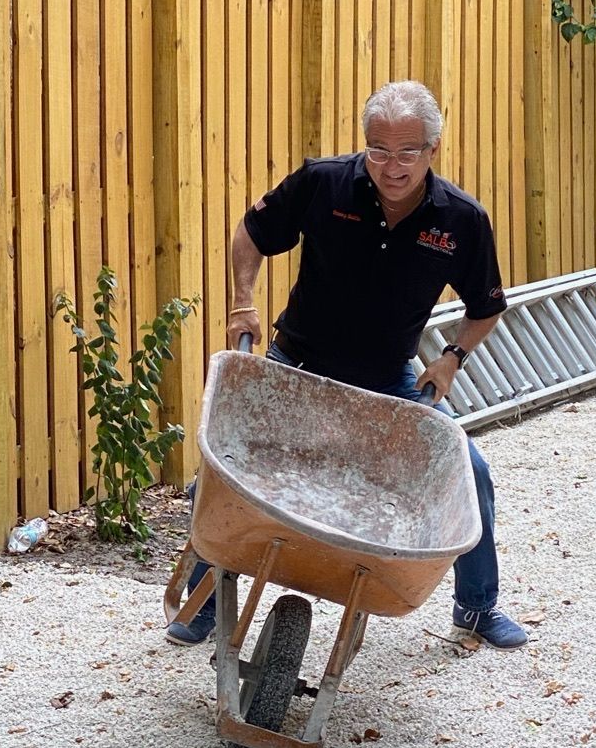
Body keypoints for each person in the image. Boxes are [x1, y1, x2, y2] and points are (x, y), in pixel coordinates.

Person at [167, 79, 529, 651]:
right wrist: (242, 298)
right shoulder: (324, 182)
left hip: (386, 381)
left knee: (471, 474)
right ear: (365, 145)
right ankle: (204, 597)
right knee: (227, 474)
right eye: (379, 149)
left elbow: (487, 307)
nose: (392, 166)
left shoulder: (459, 220)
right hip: (297, 367)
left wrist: (452, 359)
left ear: (433, 150)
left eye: (408, 152)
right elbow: (251, 234)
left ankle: (477, 607)